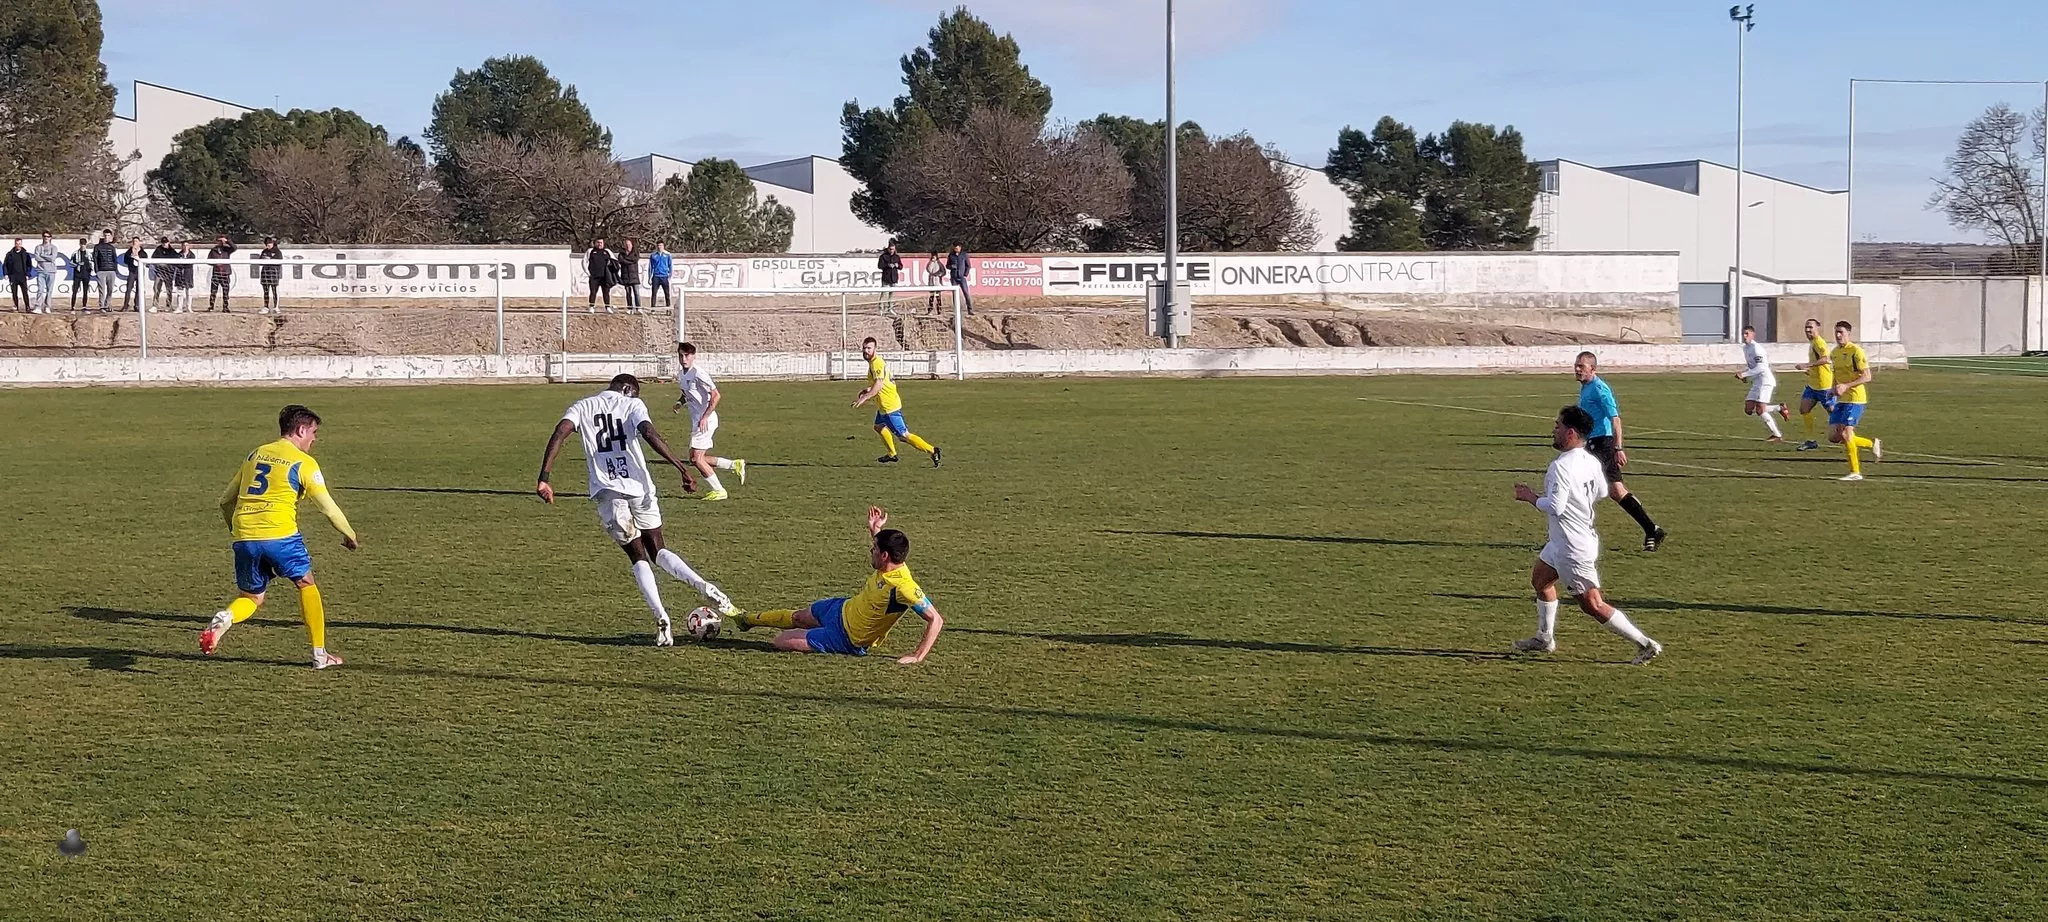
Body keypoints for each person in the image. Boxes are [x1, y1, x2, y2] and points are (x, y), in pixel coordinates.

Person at [536, 374, 740, 646]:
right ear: (629, 389)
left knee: (637, 556)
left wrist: (545, 477)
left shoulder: (583, 406)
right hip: (639, 488)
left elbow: (560, 432)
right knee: (659, 549)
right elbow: (649, 433)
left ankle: (661, 617)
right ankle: (704, 586)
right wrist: (681, 468)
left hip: (608, 494)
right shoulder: (632, 405)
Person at [198, 405, 359, 670]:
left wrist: (238, 533)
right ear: (301, 429)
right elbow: (328, 507)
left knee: (251, 597)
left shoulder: (256, 453)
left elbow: (226, 501)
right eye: (314, 433)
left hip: (245, 537)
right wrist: (349, 534)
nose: (314, 440)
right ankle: (320, 655)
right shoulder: (304, 462)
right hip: (281, 535)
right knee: (306, 583)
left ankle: (225, 617)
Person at [1510, 406, 1663, 665]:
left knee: (1593, 604)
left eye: (1557, 426)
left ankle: (1645, 644)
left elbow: (1556, 507)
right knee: (1541, 581)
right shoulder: (1591, 460)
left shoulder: (1560, 467)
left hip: (1573, 547)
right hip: (1564, 541)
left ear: (1570, 433)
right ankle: (1544, 638)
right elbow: (1603, 491)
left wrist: (1531, 497)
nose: (1554, 430)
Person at [734, 506, 945, 665]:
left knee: (781, 641)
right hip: (841, 608)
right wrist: (876, 529)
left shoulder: (903, 587)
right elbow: (883, 552)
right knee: (799, 617)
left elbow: (936, 619)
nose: (871, 551)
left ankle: (815, 638)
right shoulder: (889, 565)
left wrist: (917, 656)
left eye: (874, 548)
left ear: (885, 555)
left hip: (846, 638)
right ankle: (746, 620)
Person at [1574, 351, 1665, 552]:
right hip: (1592, 444)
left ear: (1593, 369)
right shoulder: (1587, 388)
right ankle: (1652, 529)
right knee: (1610, 491)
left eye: (1582, 366)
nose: (1578, 369)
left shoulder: (1600, 389)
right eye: (1577, 366)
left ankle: (1578, 537)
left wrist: (1618, 448)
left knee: (1592, 488)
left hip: (1603, 445)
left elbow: (1615, 419)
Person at [670, 342, 746, 502]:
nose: (684, 359)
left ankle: (719, 490)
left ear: (693, 356)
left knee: (697, 459)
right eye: (681, 356)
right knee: (695, 458)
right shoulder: (682, 374)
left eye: (687, 356)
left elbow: (716, 395)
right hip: (698, 420)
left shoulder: (699, 373)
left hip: (705, 420)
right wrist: (680, 402)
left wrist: (705, 417)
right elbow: (688, 394)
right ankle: (734, 465)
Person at [854, 336, 941, 467]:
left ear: (875, 349)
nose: (866, 351)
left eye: (869, 348)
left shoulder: (876, 363)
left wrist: (865, 398)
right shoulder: (875, 362)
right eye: (864, 348)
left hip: (889, 406)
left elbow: (878, 384)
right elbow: (883, 382)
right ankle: (892, 454)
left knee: (903, 435)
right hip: (885, 405)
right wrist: (867, 389)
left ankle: (933, 451)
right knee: (878, 426)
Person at [1828, 320, 1883, 482]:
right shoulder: (1835, 353)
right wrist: (1833, 389)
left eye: (1841, 332)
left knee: (1846, 433)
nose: (1838, 335)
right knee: (1834, 436)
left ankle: (1855, 472)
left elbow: (1867, 376)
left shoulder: (1856, 352)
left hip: (1856, 399)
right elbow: (1836, 374)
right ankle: (1872, 443)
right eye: (1836, 332)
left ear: (1848, 334)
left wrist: (1847, 386)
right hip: (1842, 399)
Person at [1735, 325, 1790, 442]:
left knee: (1760, 410)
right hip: (1757, 381)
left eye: (1747, 334)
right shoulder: (1745, 348)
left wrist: (1744, 374)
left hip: (1766, 381)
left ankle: (1777, 435)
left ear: (1753, 335)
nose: (1744, 336)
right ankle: (1779, 408)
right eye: (1743, 334)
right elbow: (1752, 365)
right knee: (1748, 409)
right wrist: (1746, 376)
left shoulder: (1757, 348)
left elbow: (1761, 367)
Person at [1791, 317, 1837, 451]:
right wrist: (1809, 371)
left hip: (1824, 386)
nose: (1807, 330)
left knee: (1834, 414)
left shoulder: (1819, 343)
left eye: (1810, 327)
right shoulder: (1812, 343)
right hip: (1813, 385)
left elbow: (1826, 359)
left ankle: (1848, 435)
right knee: (1804, 409)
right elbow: (1818, 364)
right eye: (1806, 327)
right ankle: (1811, 441)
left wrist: (1807, 364)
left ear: (1817, 328)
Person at [31, 233, 62, 314]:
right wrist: (46, 258)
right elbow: (37, 258)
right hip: (40, 271)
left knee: (49, 290)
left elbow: (52, 258)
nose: (46, 238)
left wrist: (42, 255)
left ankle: (47, 306)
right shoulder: (38, 247)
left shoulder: (53, 247)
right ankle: (38, 306)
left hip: (51, 271)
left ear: (50, 238)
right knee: (40, 289)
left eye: (48, 236)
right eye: (44, 236)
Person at [586, 237, 617, 313]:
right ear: (595, 243)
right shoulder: (590, 251)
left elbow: (615, 261)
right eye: (598, 242)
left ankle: (607, 307)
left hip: (605, 277)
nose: (599, 244)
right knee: (593, 292)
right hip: (594, 276)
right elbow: (584, 262)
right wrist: (588, 273)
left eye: (601, 243)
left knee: (606, 292)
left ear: (603, 243)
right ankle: (591, 306)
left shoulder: (607, 251)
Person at [206, 235, 236, 312]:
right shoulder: (213, 250)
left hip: (225, 273)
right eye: (219, 240)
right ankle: (211, 306)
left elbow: (234, 247)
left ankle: (225, 307)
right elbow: (208, 260)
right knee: (213, 290)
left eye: (221, 241)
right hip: (216, 272)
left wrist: (227, 241)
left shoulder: (227, 249)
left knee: (226, 291)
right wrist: (216, 264)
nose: (220, 242)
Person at [92, 230, 119, 312]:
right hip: (101, 271)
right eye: (105, 235)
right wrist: (97, 270)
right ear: (103, 236)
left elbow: (115, 259)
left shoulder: (112, 247)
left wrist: (115, 269)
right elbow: (95, 258)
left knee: (110, 290)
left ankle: (107, 304)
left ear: (111, 237)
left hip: (111, 271)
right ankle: (102, 306)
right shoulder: (97, 247)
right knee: (102, 290)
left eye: (108, 235)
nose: (107, 237)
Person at [255, 237, 284, 314]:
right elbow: (260, 261)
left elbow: (279, 262)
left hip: (274, 274)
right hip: (265, 273)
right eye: (267, 244)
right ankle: (266, 306)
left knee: (275, 291)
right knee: (266, 291)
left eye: (270, 243)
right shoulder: (264, 251)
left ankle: (276, 307)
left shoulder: (277, 252)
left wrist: (269, 260)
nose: (268, 245)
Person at [149, 237, 178, 311]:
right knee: (156, 288)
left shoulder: (172, 251)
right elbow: (153, 259)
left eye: (165, 243)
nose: (164, 244)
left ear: (168, 242)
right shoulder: (158, 249)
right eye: (163, 243)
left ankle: (168, 305)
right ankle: (155, 305)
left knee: (169, 290)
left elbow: (176, 259)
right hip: (159, 272)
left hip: (169, 273)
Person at [3, 239, 31, 312]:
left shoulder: (25, 254)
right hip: (13, 276)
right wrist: (6, 274)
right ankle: (16, 306)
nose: (18, 245)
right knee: (14, 293)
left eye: (19, 243)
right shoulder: (9, 254)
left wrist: (28, 274)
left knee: (25, 292)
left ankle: (27, 307)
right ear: (14, 244)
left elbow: (29, 265)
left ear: (21, 244)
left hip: (22, 276)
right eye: (16, 243)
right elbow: (5, 265)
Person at [616, 238, 642, 313]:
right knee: (628, 293)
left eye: (629, 244)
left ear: (631, 245)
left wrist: (626, 260)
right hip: (625, 276)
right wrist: (629, 261)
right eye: (626, 245)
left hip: (634, 276)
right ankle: (630, 308)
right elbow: (621, 261)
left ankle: (638, 308)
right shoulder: (621, 253)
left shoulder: (635, 252)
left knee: (636, 292)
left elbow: (635, 260)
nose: (628, 246)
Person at [120, 238, 147, 311]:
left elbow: (145, 260)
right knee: (128, 289)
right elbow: (125, 260)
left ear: (139, 243)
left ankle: (137, 305)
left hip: (139, 271)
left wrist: (137, 256)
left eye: (136, 241)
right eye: (134, 241)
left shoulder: (142, 252)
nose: (135, 243)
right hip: (132, 271)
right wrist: (131, 257)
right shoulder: (129, 251)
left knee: (139, 289)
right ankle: (126, 305)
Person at [947, 244, 973, 316]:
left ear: (960, 247)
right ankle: (956, 310)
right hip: (954, 277)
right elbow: (947, 265)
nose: (956, 249)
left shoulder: (964, 255)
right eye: (955, 248)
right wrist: (951, 266)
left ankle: (970, 309)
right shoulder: (951, 255)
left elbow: (968, 266)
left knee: (966, 293)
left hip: (961, 277)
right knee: (955, 295)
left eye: (957, 248)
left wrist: (965, 274)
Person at [876, 244, 903, 315]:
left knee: (892, 295)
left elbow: (901, 266)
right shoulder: (883, 256)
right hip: (886, 277)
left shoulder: (897, 257)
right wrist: (887, 265)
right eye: (890, 249)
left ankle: (890, 308)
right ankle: (881, 309)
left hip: (894, 277)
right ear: (888, 249)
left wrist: (898, 266)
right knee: (884, 293)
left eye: (893, 249)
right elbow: (879, 266)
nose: (892, 251)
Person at [172, 241, 197, 313]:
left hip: (188, 275)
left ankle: (188, 307)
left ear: (189, 246)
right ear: (182, 246)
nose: (185, 247)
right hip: (180, 275)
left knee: (189, 292)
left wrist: (183, 263)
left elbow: (189, 265)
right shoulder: (178, 255)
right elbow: (177, 264)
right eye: (184, 245)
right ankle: (179, 307)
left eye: (187, 245)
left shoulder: (192, 255)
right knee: (180, 292)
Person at [69, 238, 92, 310]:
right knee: (75, 290)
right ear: (79, 244)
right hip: (77, 274)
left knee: (85, 290)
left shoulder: (88, 254)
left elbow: (92, 263)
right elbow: (70, 263)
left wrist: (91, 270)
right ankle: (72, 306)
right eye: (81, 244)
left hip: (86, 274)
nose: (83, 246)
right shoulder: (75, 253)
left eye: (84, 244)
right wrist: (77, 264)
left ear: (86, 244)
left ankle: (84, 306)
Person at [648, 242, 673, 309]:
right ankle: (653, 308)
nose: (659, 247)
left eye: (661, 245)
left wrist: (670, 276)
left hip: (664, 276)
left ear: (663, 246)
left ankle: (668, 308)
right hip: (656, 276)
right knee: (654, 293)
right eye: (658, 245)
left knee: (667, 294)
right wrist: (649, 277)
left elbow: (670, 266)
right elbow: (650, 267)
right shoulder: (653, 255)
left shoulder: (667, 255)